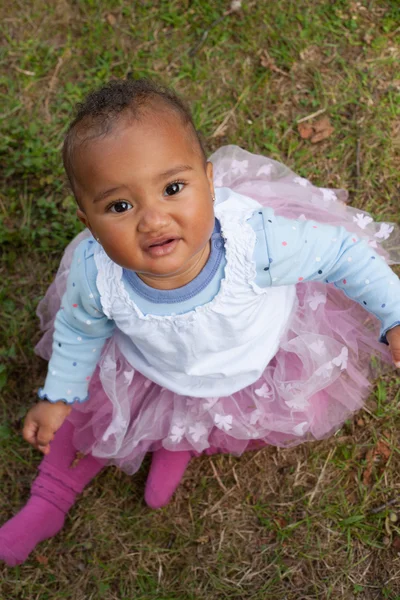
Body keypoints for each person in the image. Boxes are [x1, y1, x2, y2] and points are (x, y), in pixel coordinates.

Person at [1, 79, 399, 567]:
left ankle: (180, 444)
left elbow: (343, 253)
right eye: (120, 206)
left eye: (173, 189)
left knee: (215, 416)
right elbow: (81, 330)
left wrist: (394, 313)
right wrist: (59, 395)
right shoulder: (96, 273)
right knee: (92, 418)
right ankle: (49, 499)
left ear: (209, 182)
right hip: (150, 367)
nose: (152, 219)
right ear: (88, 221)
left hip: (242, 365)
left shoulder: (260, 246)